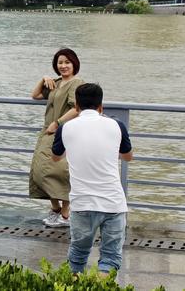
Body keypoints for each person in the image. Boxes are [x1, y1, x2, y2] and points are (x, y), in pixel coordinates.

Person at [52, 83, 133, 276]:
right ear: (101, 106)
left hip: (82, 204)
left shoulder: (65, 128)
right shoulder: (117, 125)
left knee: (78, 256)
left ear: (77, 106)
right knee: (110, 258)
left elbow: (55, 157)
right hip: (113, 203)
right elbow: (128, 156)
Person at [29, 48, 84, 228]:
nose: (63, 66)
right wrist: (43, 79)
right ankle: (55, 209)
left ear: (74, 63)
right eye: (60, 62)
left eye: (67, 62)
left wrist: (58, 123)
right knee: (40, 171)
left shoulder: (76, 83)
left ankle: (65, 212)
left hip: (63, 131)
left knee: (60, 171)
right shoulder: (57, 83)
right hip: (47, 132)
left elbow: (77, 109)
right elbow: (35, 95)